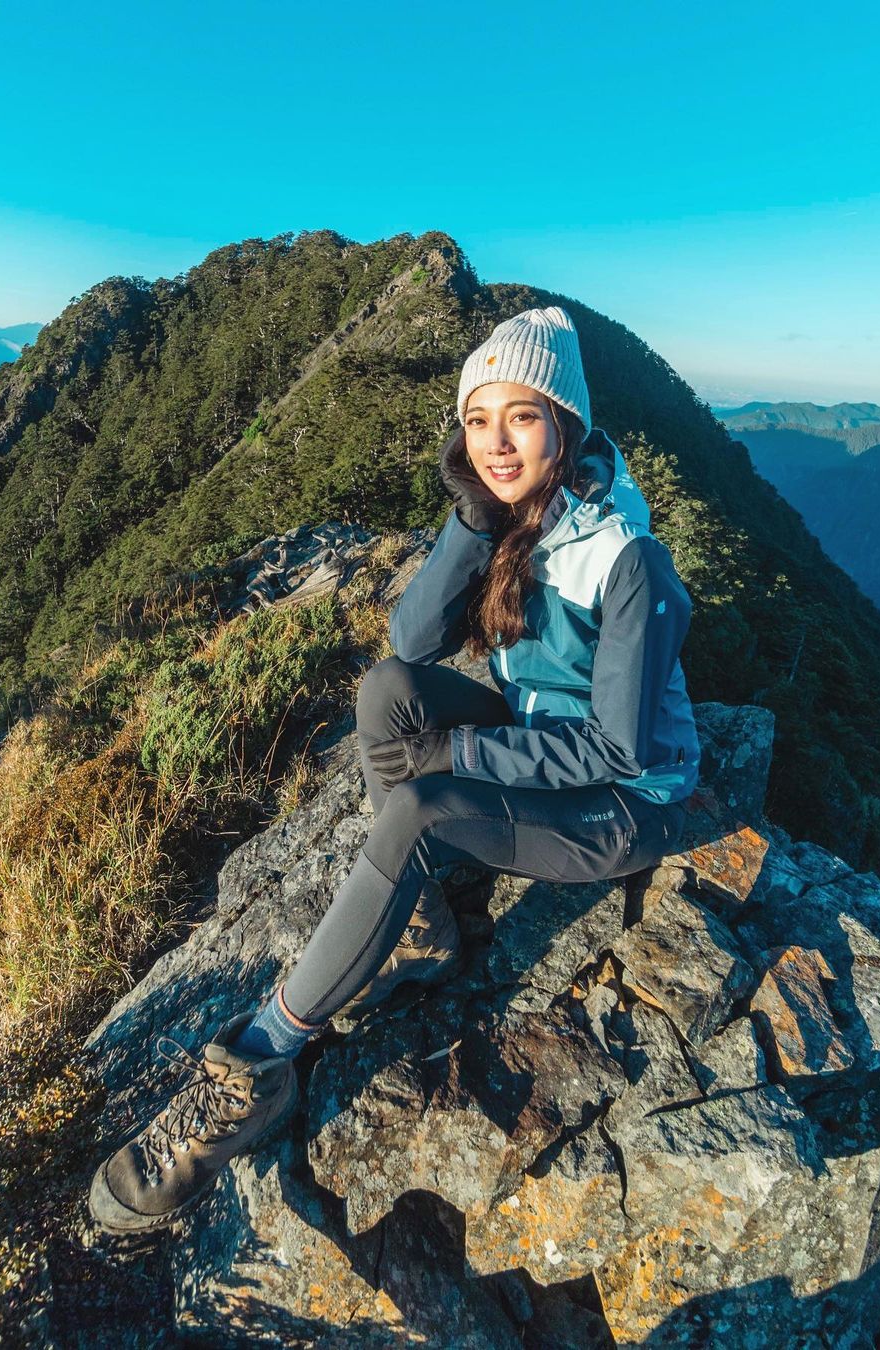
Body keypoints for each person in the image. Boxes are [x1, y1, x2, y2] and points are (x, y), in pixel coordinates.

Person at [89, 305, 701, 1236]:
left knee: (415, 806)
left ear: (564, 423)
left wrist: (459, 754)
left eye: (522, 417)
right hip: (539, 734)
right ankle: (414, 925)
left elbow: (620, 751)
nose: (497, 442)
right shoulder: (510, 514)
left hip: (621, 804)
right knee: (386, 693)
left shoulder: (627, 558)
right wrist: (469, 520)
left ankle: (261, 1060)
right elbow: (411, 640)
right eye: (478, 419)